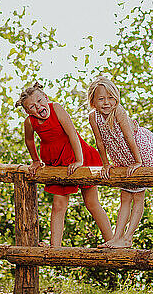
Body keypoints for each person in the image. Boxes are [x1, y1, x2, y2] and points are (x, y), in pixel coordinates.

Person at [16, 82, 113, 247]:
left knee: (91, 203)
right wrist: (35, 160)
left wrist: (79, 160)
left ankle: (112, 241)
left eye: (40, 101)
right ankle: (55, 246)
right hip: (57, 162)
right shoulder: (29, 122)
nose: (38, 107)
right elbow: (29, 140)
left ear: (46, 98)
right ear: (27, 111)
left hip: (79, 155)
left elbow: (72, 134)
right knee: (58, 205)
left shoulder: (56, 109)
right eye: (32, 106)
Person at [88, 76, 153, 248]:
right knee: (125, 197)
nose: (106, 102)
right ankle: (117, 237)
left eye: (111, 97)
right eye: (101, 98)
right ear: (93, 101)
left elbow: (129, 137)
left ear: (116, 98)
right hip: (122, 156)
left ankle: (128, 237)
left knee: (138, 196)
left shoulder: (118, 111)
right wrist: (105, 164)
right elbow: (100, 142)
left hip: (140, 150)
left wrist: (137, 162)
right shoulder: (93, 117)